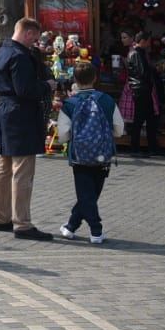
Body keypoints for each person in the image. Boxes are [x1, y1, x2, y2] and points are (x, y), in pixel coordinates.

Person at [0, 18, 54, 241]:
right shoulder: (20, 57)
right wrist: (47, 86)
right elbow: (25, 89)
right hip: (21, 113)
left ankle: (1, 217)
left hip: (4, 111)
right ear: (27, 33)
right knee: (23, 170)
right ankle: (22, 223)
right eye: (35, 38)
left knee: (4, 165)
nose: (36, 43)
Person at [56, 62, 124, 244]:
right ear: (95, 78)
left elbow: (62, 135)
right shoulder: (107, 100)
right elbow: (119, 129)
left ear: (75, 80)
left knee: (86, 195)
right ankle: (71, 226)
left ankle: (95, 230)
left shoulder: (70, 104)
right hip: (102, 155)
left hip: (79, 156)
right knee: (91, 194)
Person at [125, 31, 164, 156]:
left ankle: (151, 147)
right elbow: (142, 72)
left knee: (149, 119)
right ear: (143, 41)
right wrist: (154, 70)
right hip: (141, 90)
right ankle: (135, 148)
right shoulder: (136, 53)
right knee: (140, 119)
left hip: (143, 89)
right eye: (148, 41)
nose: (149, 43)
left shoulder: (139, 53)